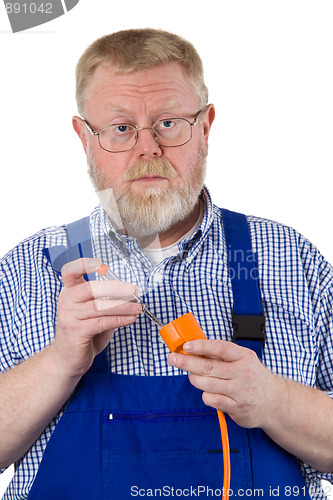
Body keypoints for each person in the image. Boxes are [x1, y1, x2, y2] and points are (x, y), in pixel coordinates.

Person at [0, 28, 333, 500]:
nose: (148, 148)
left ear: (206, 126)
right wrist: (59, 362)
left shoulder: (292, 259)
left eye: (169, 123)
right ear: (84, 138)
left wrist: (274, 400)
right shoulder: (27, 269)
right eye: (121, 128)